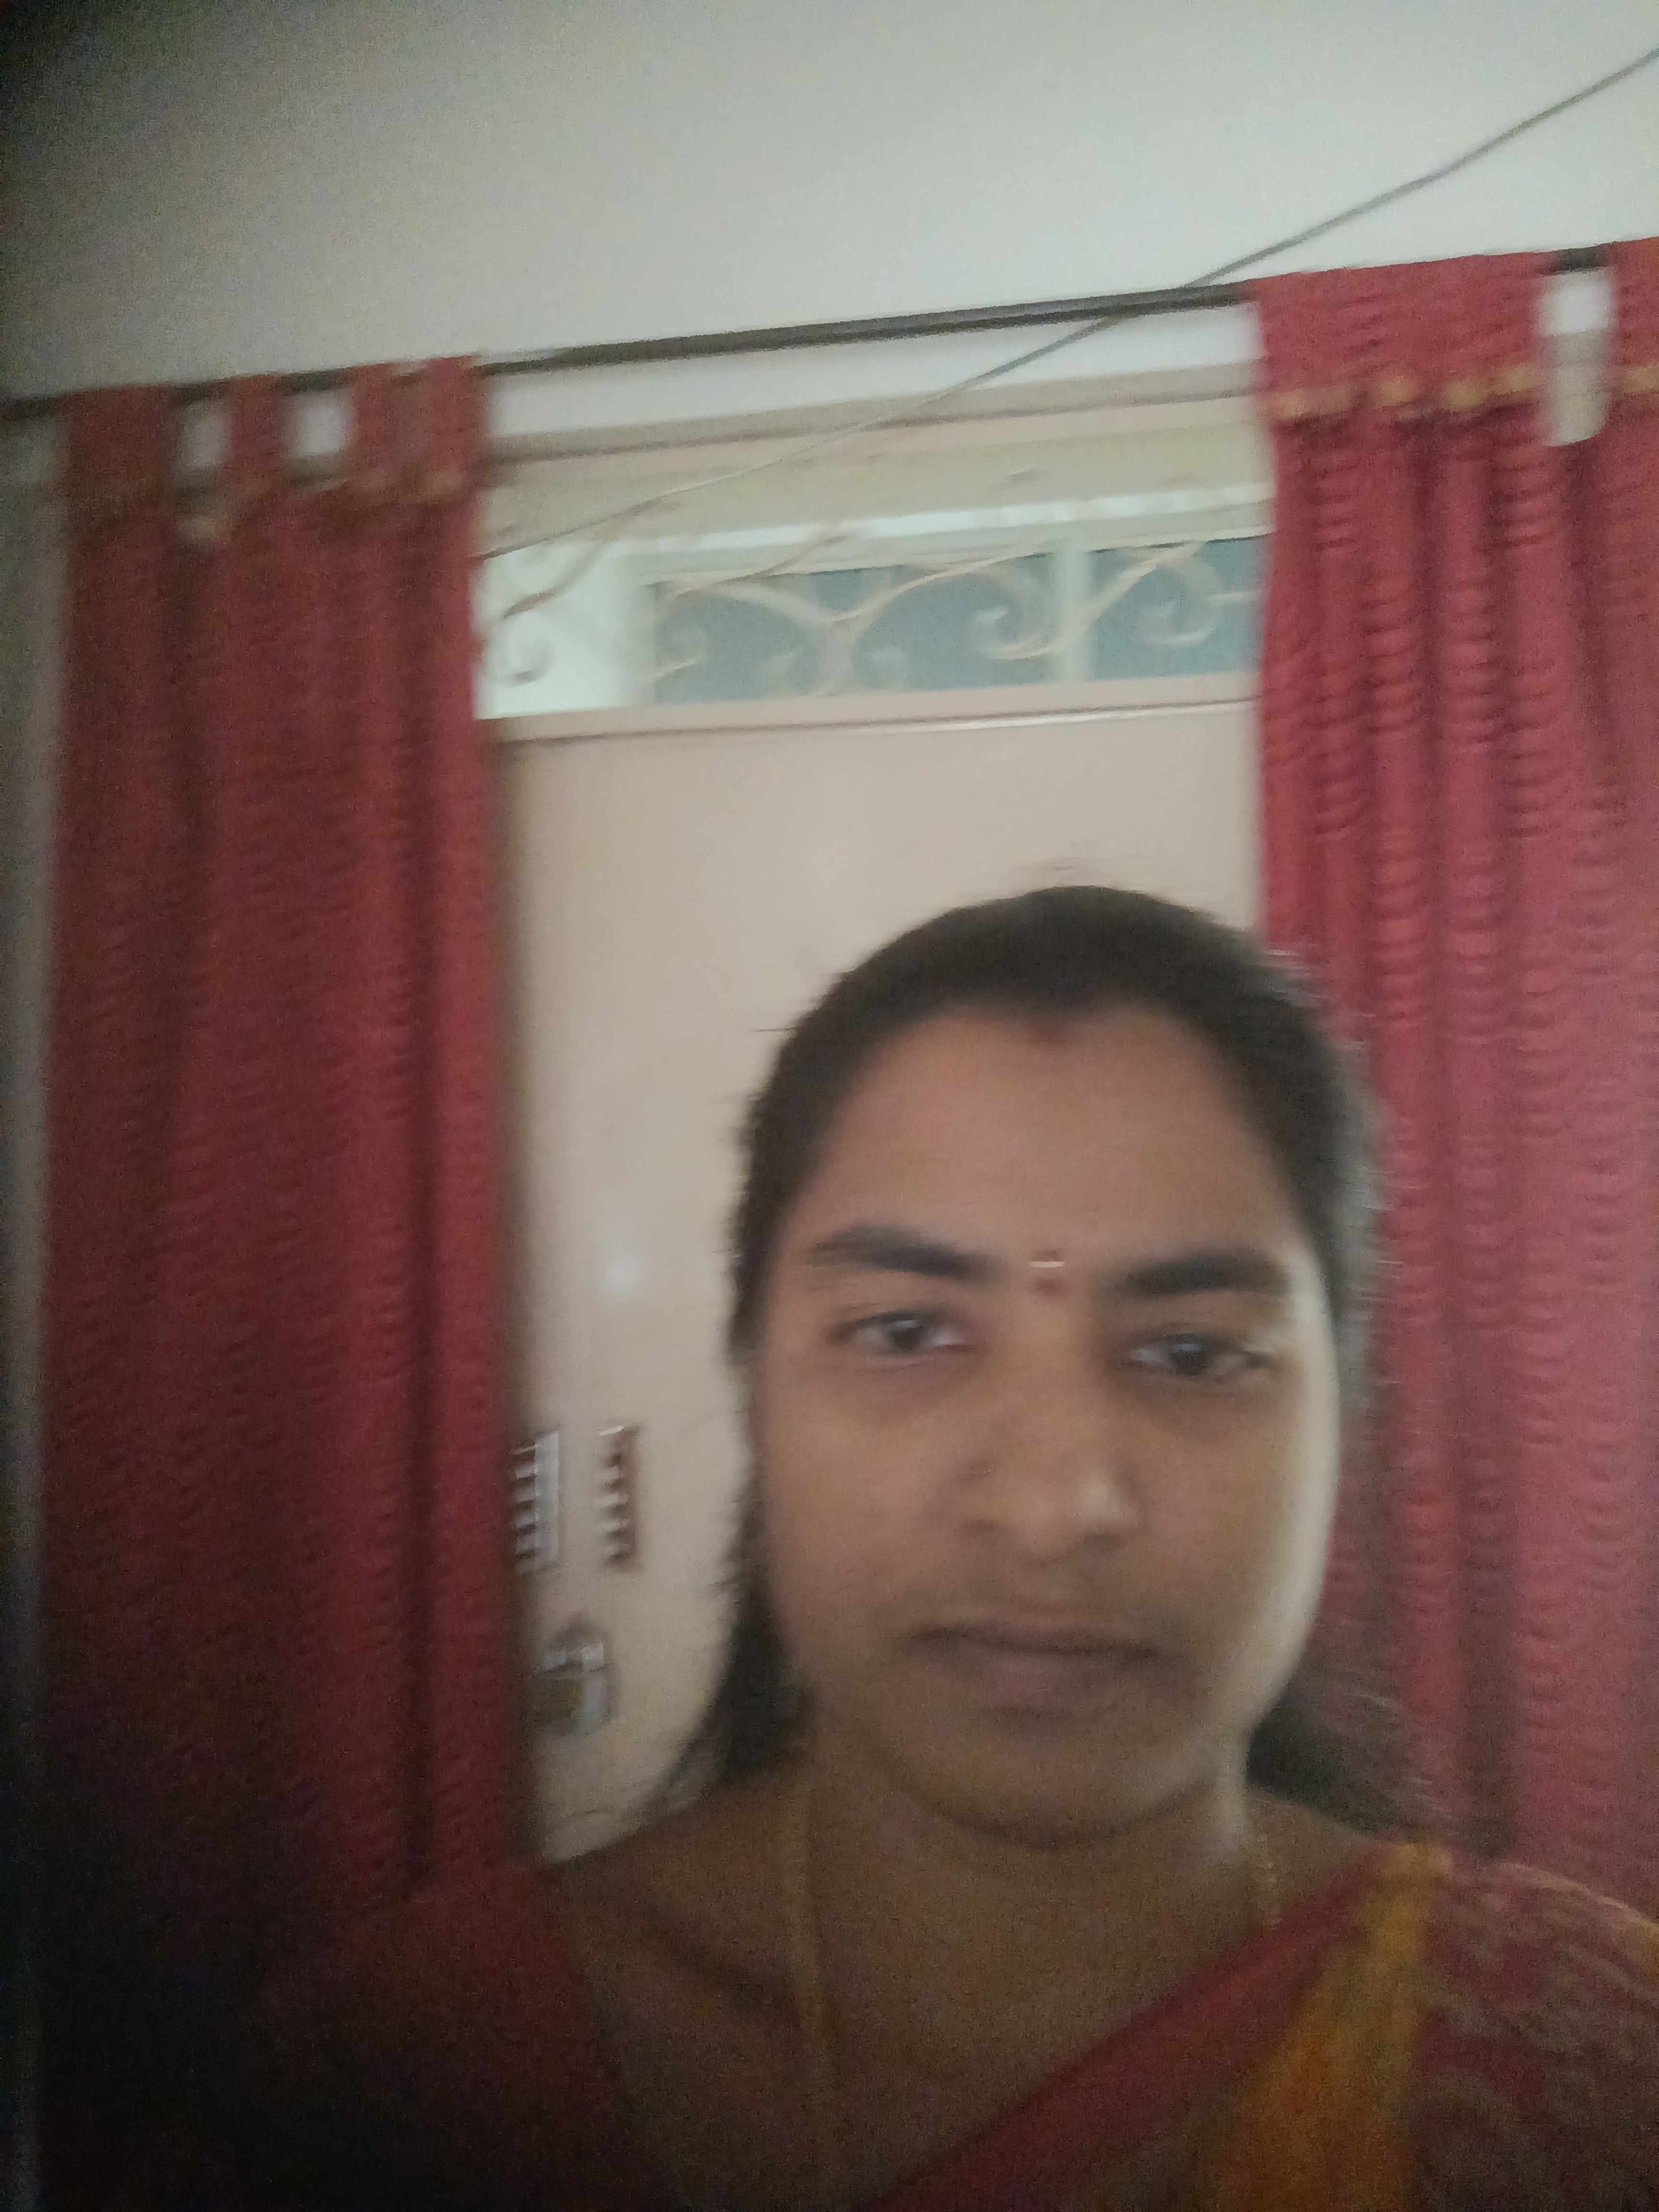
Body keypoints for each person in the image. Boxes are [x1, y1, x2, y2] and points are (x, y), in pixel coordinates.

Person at [251, 887, 1659, 2211]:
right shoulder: (403, 2091)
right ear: (753, 1384)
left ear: (1342, 1416)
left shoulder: (1582, 2068)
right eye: (907, 1332)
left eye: (1190, 1353)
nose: (1052, 1511)